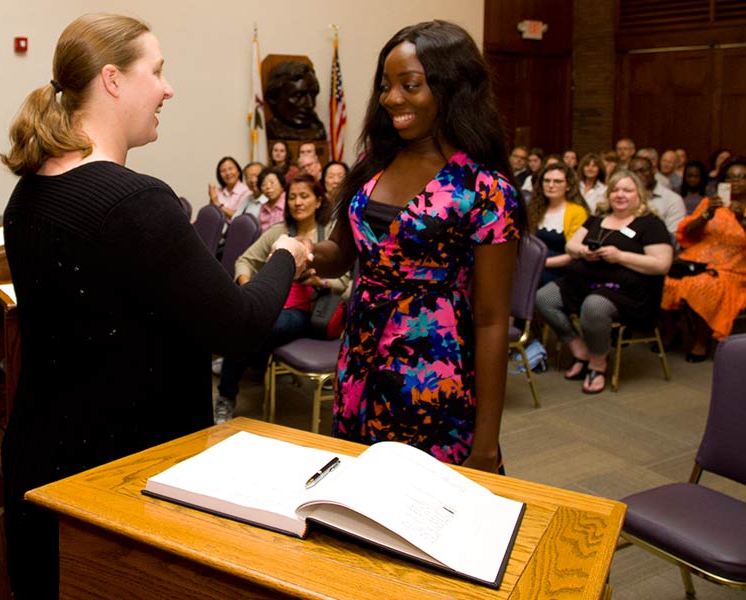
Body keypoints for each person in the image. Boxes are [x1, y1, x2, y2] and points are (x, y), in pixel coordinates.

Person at [0, 14, 309, 598]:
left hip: (42, 458)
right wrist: (286, 255)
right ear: (113, 80)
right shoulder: (135, 202)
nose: (168, 88)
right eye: (158, 71)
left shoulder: (30, 188)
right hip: (120, 476)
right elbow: (238, 326)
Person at [308, 20, 522, 472]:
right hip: (359, 363)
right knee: (357, 498)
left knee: (420, 513)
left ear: (453, 88)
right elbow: (342, 255)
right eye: (386, 86)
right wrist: (299, 254)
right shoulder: (374, 163)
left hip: (429, 376)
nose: (391, 99)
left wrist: (487, 443)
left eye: (410, 85)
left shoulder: (486, 189)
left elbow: (490, 322)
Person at [214, 174, 350, 422]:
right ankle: (229, 390)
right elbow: (244, 260)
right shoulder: (280, 231)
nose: (297, 202)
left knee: (256, 327)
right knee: (244, 320)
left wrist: (319, 280)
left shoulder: (329, 237)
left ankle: (227, 387)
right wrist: (246, 285)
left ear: (319, 201)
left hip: (308, 310)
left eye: (305, 196)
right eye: (293, 197)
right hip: (270, 302)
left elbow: (345, 281)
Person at [536, 170, 673, 394]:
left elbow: (661, 264)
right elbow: (572, 246)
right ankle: (580, 350)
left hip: (628, 292)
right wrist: (583, 252)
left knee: (594, 306)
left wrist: (621, 256)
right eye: (615, 190)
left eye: (627, 190)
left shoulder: (650, 224)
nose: (620, 195)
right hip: (584, 281)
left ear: (639, 194)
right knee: (544, 298)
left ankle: (597, 364)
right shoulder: (597, 219)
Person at [661, 158, 746, 361]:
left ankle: (702, 340)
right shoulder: (709, 203)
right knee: (662, 277)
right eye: (730, 177)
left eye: (743, 177)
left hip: (735, 267)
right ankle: (671, 330)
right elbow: (688, 234)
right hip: (696, 260)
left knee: (702, 285)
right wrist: (706, 215)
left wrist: (742, 220)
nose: (735, 182)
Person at [527, 163, 590, 285]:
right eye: (546, 181)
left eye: (557, 181)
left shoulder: (577, 212)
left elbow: (575, 254)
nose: (550, 185)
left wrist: (541, 263)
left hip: (561, 270)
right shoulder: (534, 208)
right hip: (533, 264)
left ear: (568, 186)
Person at [264, 60, 327, 140]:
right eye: (298, 95)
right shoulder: (272, 130)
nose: (310, 104)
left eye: (313, 94)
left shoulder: (318, 129)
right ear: (273, 97)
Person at [630, 156, 685, 234]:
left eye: (643, 171)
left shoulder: (673, 199)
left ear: (653, 171)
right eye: (633, 172)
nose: (638, 175)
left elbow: (674, 236)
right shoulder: (624, 198)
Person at [207, 156, 249, 220]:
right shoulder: (218, 192)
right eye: (223, 171)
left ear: (238, 171)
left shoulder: (246, 192)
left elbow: (238, 217)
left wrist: (217, 203)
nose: (228, 173)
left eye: (230, 169)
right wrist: (211, 198)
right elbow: (210, 214)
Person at [256, 167, 287, 232]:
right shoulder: (263, 207)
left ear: (282, 185)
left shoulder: (288, 203)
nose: (268, 187)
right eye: (263, 184)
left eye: (272, 183)